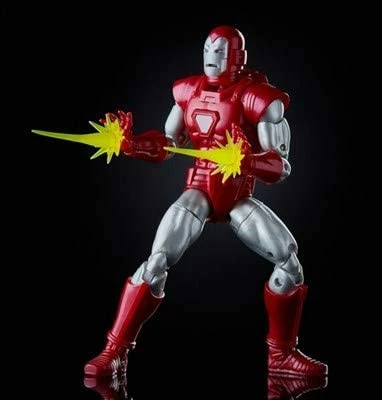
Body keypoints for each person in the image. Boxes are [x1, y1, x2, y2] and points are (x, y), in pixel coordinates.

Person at [84, 25, 328, 378]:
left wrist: (249, 162)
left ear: (237, 58)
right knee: (155, 263)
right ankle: (113, 352)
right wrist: (134, 144)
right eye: (207, 50)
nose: (212, 58)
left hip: (238, 195)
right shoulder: (187, 91)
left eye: (220, 52)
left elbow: (281, 166)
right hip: (199, 188)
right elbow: (169, 144)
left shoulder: (259, 98)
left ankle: (282, 357)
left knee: (290, 265)